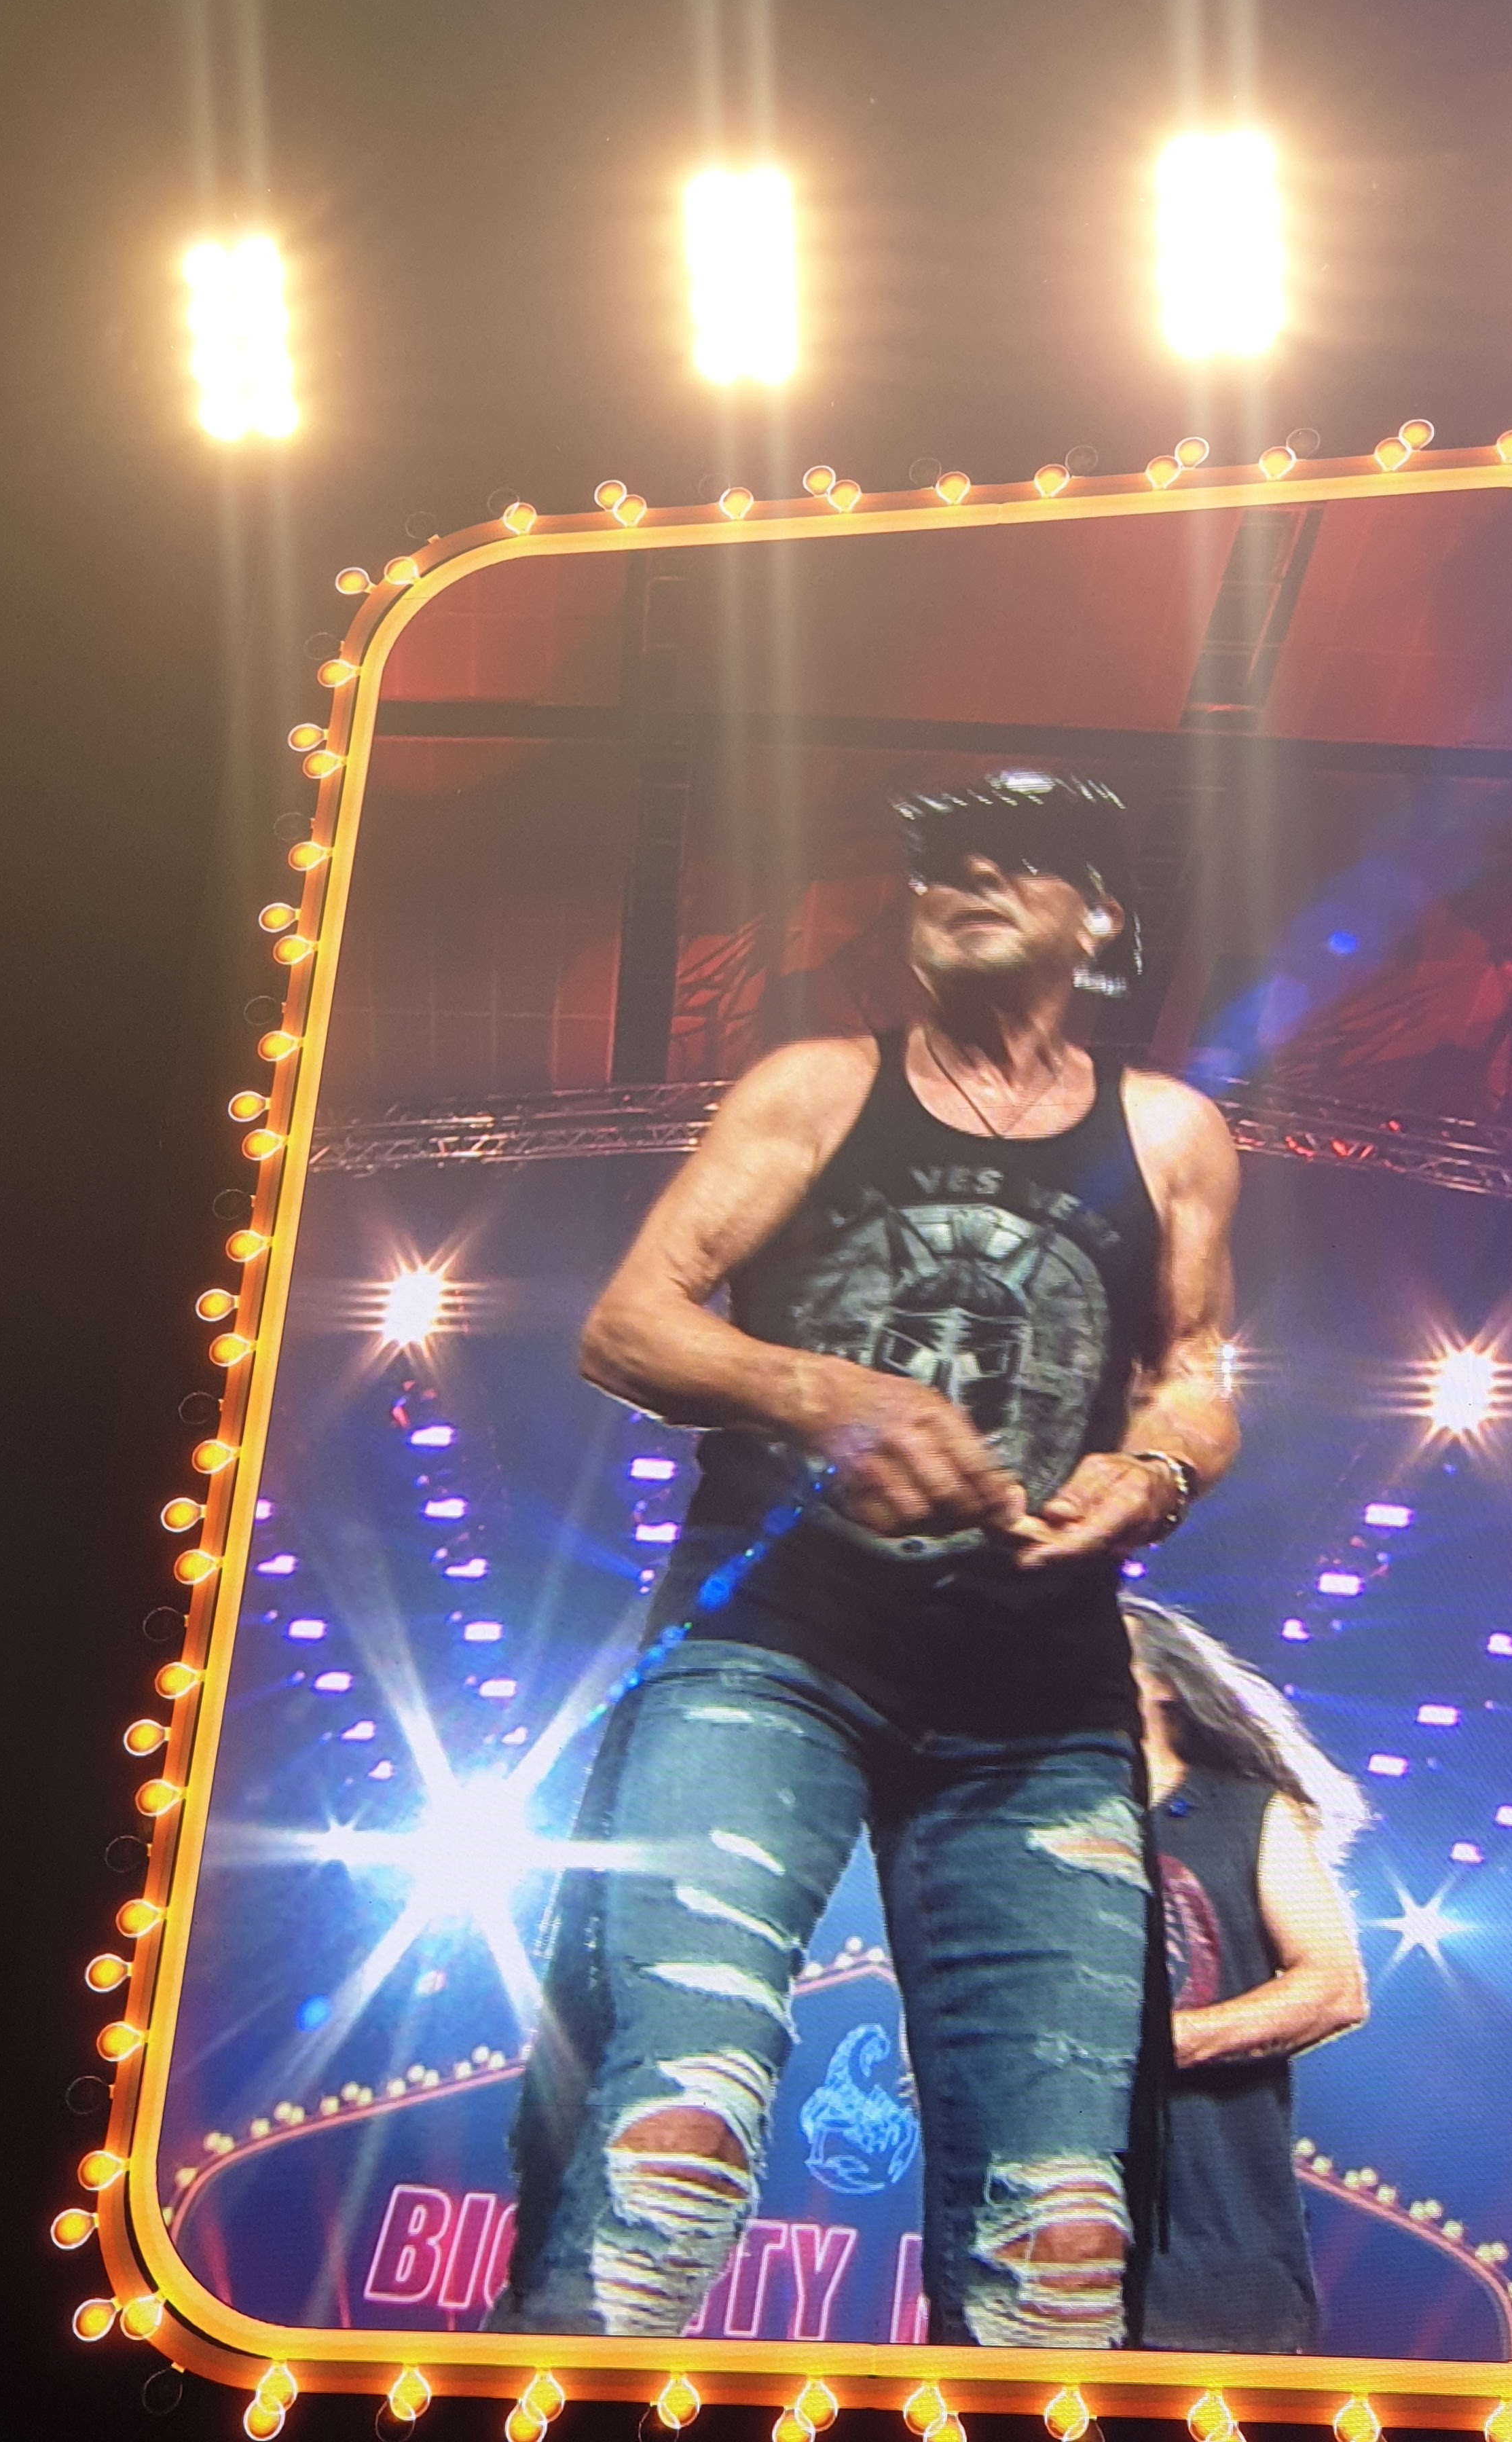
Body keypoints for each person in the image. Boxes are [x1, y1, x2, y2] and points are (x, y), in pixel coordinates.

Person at [500, 769, 1242, 2346]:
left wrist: (1158, 1468)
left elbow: (1197, 1373)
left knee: (1062, 2237)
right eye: (943, 861)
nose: (970, 877)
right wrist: (817, 1391)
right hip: (772, 1652)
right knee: (674, 2132)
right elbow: (627, 1325)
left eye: (1020, 859)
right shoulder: (817, 1086)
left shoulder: (1169, 1130)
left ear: (1100, 915)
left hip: (1039, 1704)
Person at [1123, 1598, 1370, 2354]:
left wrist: (1142, 2046)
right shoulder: (1017, 1824)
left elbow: (1333, 1988)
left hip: (1213, 2253)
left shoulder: (1247, 1813)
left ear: (1162, 1681)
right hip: (1038, 2251)